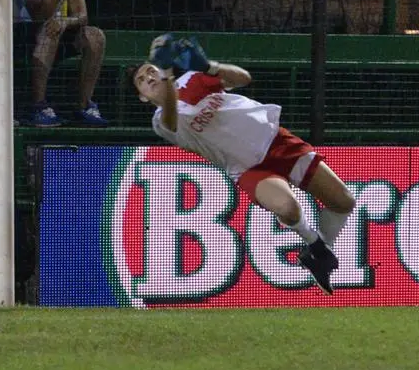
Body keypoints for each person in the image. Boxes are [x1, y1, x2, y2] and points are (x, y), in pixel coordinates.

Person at [131, 34, 355, 294]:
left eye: (150, 71)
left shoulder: (192, 79)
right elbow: (172, 117)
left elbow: (243, 78)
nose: (148, 78)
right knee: (287, 207)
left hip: (277, 141)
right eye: (141, 81)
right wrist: (167, 74)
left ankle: (318, 253)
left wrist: (208, 67)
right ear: (143, 98)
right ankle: (314, 245)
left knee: (344, 201)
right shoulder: (160, 120)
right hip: (248, 168)